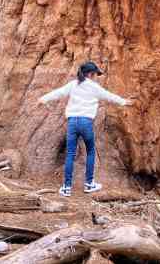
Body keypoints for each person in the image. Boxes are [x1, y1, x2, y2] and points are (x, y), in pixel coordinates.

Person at [39, 61, 132, 196]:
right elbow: (109, 96)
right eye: (95, 74)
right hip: (86, 122)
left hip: (72, 121)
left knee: (70, 154)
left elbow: (59, 93)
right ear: (90, 74)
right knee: (90, 152)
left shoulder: (73, 84)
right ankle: (89, 184)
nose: (95, 77)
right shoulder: (94, 87)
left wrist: (44, 99)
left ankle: (66, 188)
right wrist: (124, 102)